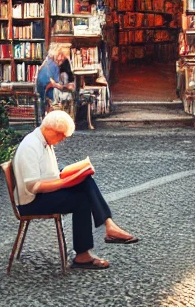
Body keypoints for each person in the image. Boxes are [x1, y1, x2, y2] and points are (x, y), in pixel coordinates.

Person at [11, 110, 137, 269]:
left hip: (42, 193)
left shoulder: (43, 141)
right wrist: (65, 182)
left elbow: (49, 175)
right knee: (81, 200)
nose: (62, 139)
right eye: (61, 135)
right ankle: (85, 253)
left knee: (85, 180)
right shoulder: (31, 146)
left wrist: (72, 176)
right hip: (32, 202)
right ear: (50, 129)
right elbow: (34, 186)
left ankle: (109, 225)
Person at [36, 45, 73, 112]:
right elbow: (57, 85)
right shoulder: (54, 66)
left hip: (41, 93)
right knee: (70, 95)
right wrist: (67, 86)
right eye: (61, 55)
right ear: (57, 55)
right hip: (49, 95)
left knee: (63, 76)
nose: (62, 58)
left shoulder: (47, 61)